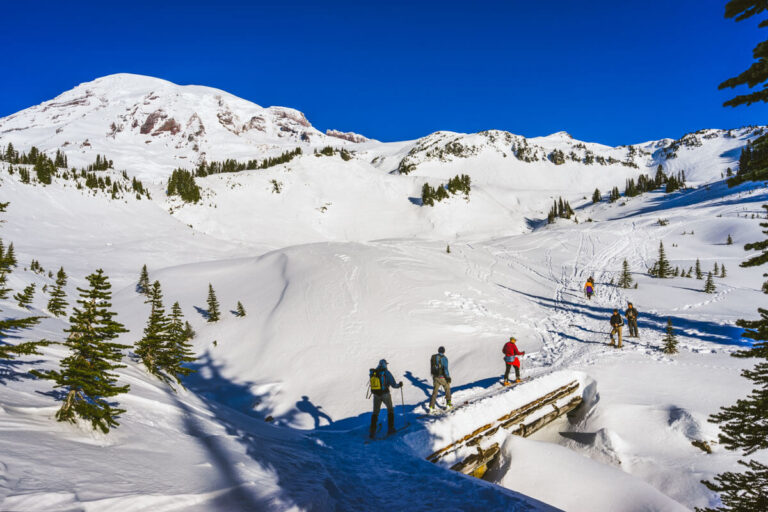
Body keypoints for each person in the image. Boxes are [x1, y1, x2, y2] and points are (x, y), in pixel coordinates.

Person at [368, 359, 403, 438]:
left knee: (375, 412)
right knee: (390, 409)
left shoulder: (374, 373)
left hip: (376, 395)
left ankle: (372, 431)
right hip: (385, 394)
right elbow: (393, 384)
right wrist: (399, 385)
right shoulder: (386, 372)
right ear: (385, 364)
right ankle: (390, 429)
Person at [429, 346, 452, 414]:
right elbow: (445, 369)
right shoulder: (444, 358)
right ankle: (448, 404)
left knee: (435, 392)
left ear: (438, 350)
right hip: (442, 378)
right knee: (447, 389)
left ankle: (431, 407)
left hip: (435, 377)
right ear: (444, 351)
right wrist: (448, 378)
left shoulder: (434, 357)